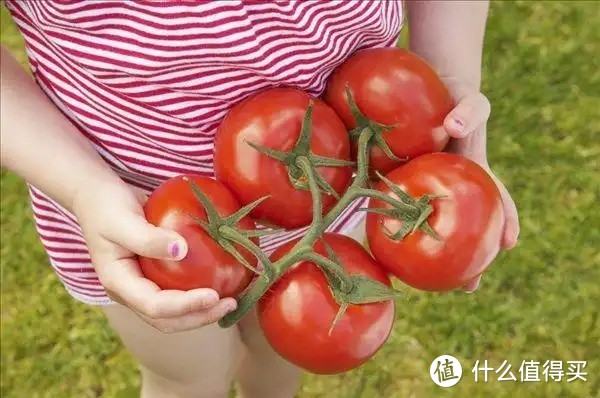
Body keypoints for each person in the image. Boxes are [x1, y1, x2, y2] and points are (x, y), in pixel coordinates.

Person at [1, 1, 519, 397]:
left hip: (340, 184)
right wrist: (83, 186)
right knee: (187, 377)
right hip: (149, 225)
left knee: (280, 358)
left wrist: (445, 84)